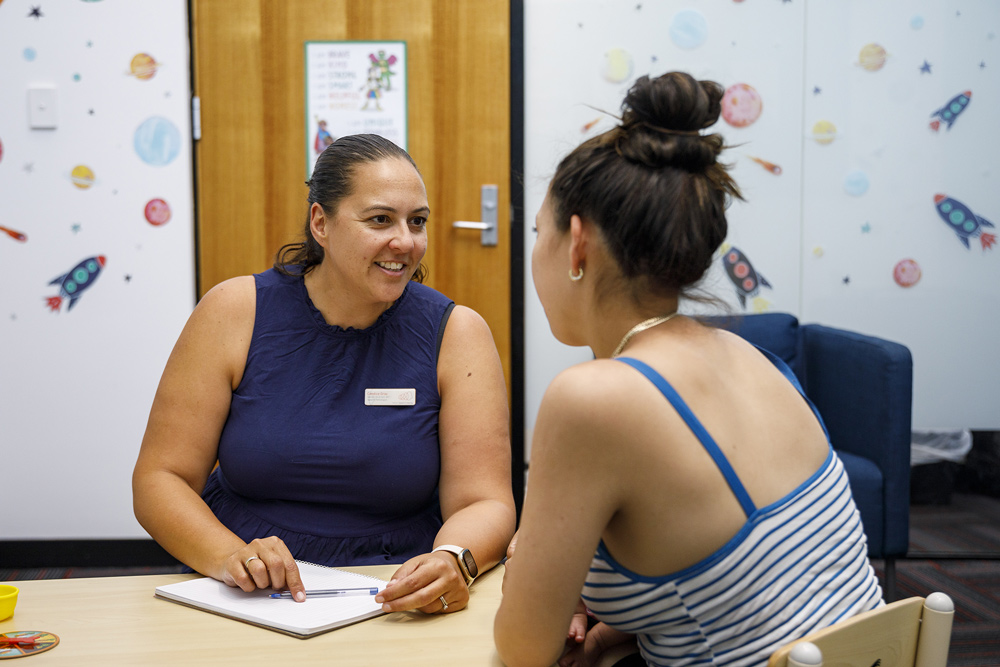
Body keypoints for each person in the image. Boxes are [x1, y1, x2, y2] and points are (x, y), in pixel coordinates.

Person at [494, 72, 883, 667]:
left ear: (576, 244)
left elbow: (523, 650)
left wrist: (527, 556)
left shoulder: (593, 399)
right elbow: (758, 581)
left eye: (538, 232)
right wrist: (617, 630)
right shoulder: (752, 357)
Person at [133, 134, 515, 614]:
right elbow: (160, 478)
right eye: (380, 219)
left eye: (417, 221)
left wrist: (453, 558)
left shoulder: (457, 333)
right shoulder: (234, 311)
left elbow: (485, 501)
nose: (406, 241)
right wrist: (229, 555)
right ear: (321, 222)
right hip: (246, 587)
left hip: (395, 588)